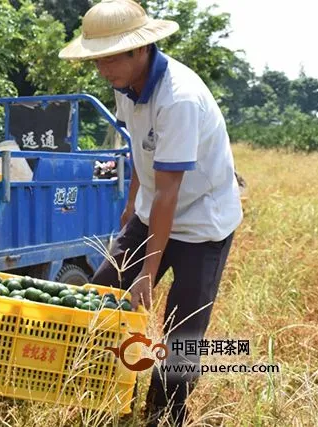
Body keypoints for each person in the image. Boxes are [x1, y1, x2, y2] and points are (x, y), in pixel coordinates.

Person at [60, 0, 243, 425]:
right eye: (97, 59)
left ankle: (162, 415)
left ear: (140, 50)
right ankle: (101, 398)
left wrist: (147, 272)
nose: (103, 69)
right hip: (153, 211)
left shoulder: (178, 98)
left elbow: (169, 194)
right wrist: (130, 205)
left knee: (183, 332)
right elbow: (141, 150)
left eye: (109, 58)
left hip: (202, 224)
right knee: (103, 299)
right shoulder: (125, 84)